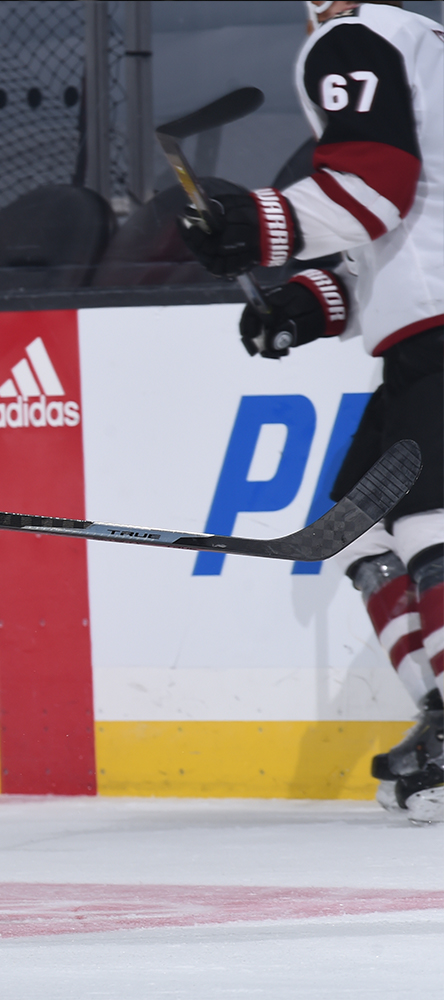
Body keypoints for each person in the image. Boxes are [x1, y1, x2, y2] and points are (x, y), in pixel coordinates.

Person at [179, 0, 442, 822]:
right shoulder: (418, 46)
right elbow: (385, 241)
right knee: (357, 527)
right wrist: (301, 302)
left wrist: (253, 222)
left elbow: (375, 188)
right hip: (418, 336)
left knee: (429, 525)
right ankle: (439, 717)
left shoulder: (358, 36)